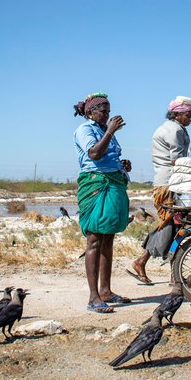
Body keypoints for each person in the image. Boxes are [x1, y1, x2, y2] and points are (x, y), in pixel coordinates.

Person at [73, 92, 133, 313]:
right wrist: (110, 130)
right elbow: (95, 153)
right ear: (90, 112)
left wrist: (122, 163)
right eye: (103, 110)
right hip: (97, 185)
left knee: (108, 238)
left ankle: (106, 291)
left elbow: (108, 154)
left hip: (114, 182)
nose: (107, 114)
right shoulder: (85, 130)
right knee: (95, 239)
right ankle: (93, 297)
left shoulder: (102, 130)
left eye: (108, 110)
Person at [128, 96, 191, 285]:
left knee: (170, 225)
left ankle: (143, 261)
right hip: (169, 185)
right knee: (172, 226)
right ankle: (171, 274)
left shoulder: (170, 128)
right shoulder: (174, 131)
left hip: (166, 183)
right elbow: (178, 161)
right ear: (177, 114)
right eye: (188, 114)